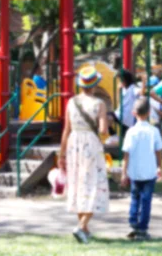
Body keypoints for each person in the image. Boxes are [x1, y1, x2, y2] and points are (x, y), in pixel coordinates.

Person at [59, 66, 109, 244]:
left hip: (73, 143)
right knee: (94, 184)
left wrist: (61, 155)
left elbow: (66, 130)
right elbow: (103, 130)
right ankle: (81, 226)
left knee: (79, 184)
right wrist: (105, 134)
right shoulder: (99, 104)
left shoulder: (71, 102)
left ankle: (84, 230)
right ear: (95, 85)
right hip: (91, 144)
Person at [121, 97, 162, 241]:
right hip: (149, 171)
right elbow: (158, 151)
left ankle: (133, 224)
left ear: (134, 113)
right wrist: (160, 167)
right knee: (146, 201)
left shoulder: (130, 132)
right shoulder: (154, 131)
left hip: (134, 172)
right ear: (149, 112)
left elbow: (126, 154)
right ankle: (143, 228)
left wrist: (123, 173)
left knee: (135, 198)